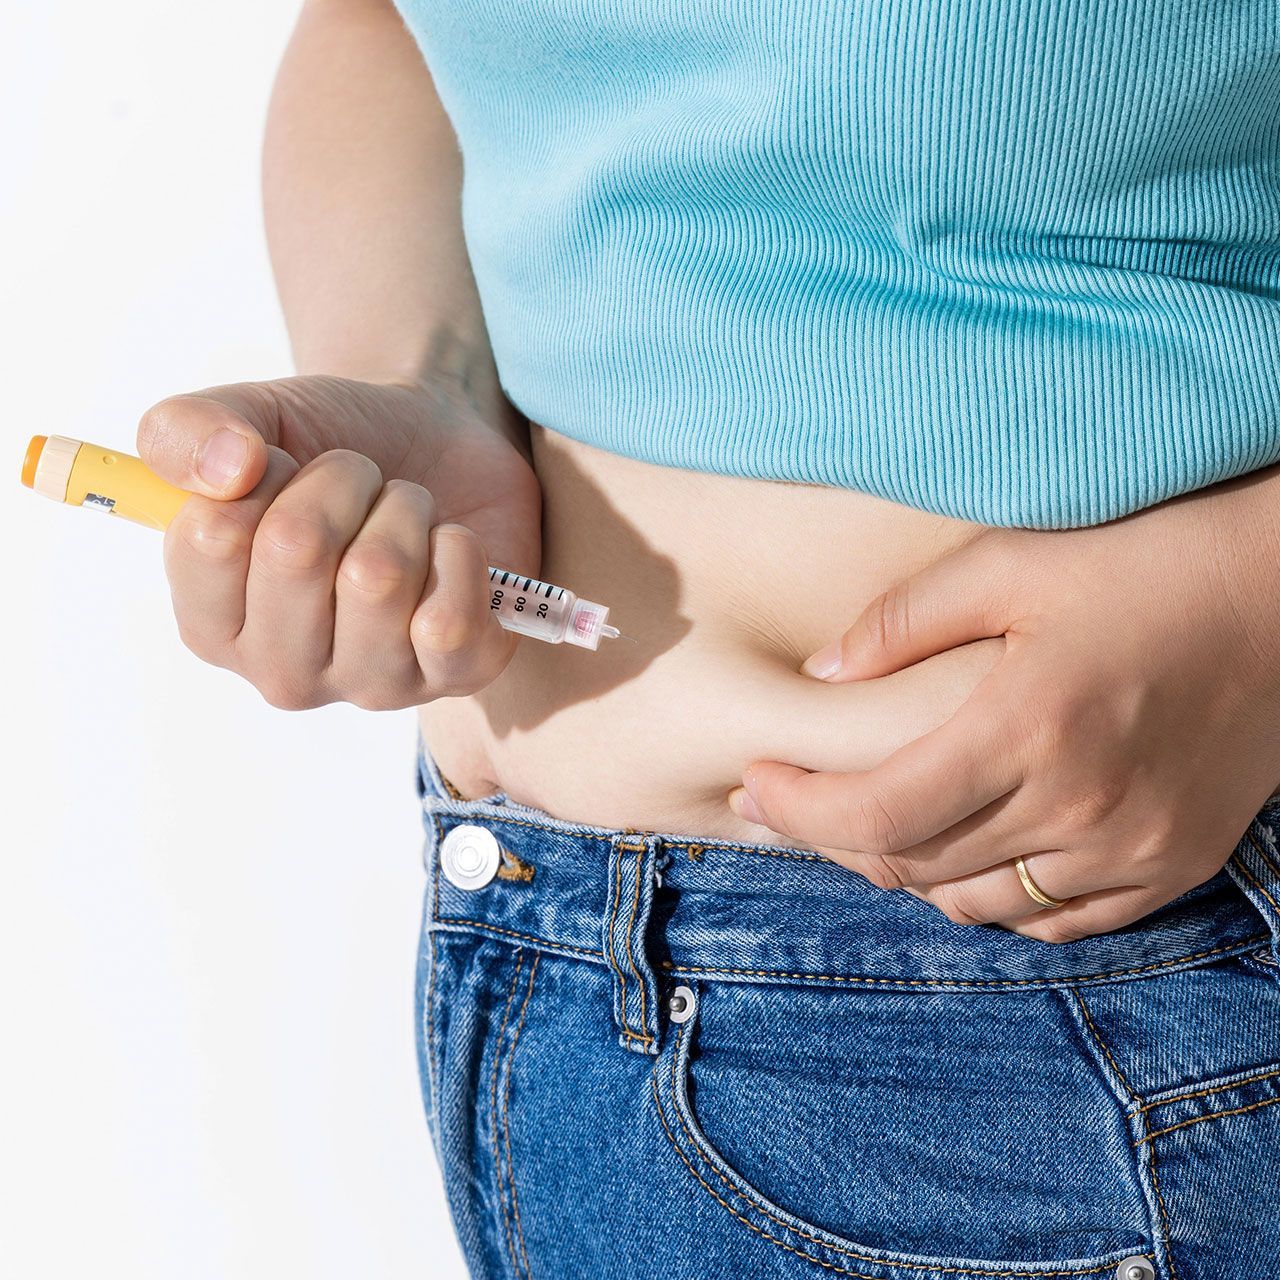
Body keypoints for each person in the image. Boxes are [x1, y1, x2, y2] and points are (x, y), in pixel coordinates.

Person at [136, 0, 1280, 1274]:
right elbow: (382, 24)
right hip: (539, 946)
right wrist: (425, 381)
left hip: (1102, 960)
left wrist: (1256, 600)